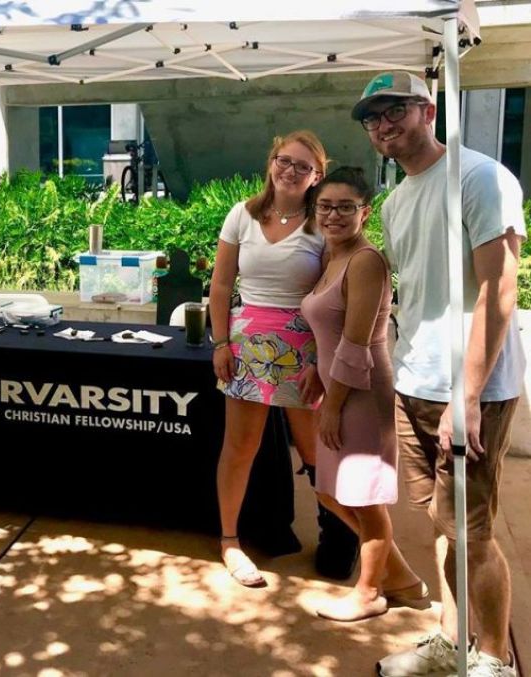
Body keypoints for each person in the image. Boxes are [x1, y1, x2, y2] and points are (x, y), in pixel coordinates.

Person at [351, 72, 526, 677]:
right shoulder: (398, 200)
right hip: (414, 383)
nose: (383, 125)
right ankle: (452, 642)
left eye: (394, 110)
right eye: (372, 118)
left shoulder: (479, 177)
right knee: (441, 524)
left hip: (468, 390)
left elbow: (500, 288)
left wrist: (469, 395)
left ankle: (495, 660)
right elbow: (415, 294)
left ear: (428, 110)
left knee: (472, 532)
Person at [209, 130, 359, 587]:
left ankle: (340, 536)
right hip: (247, 343)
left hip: (306, 346)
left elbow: (336, 293)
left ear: (317, 176)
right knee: (240, 449)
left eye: (303, 166)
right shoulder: (242, 215)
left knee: (317, 451)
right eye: (283, 160)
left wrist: (322, 359)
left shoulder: (323, 224)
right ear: (270, 163)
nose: (290, 171)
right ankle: (230, 541)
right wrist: (220, 343)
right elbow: (220, 285)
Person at [300, 167, 426, 621]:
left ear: (365, 211)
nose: (333, 215)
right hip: (336, 386)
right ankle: (402, 577)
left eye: (345, 207)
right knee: (331, 492)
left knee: (363, 498)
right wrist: (317, 369)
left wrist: (332, 407)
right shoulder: (330, 256)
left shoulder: (365, 261)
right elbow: (330, 330)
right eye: (325, 207)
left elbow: (356, 345)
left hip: (360, 392)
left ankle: (369, 593)